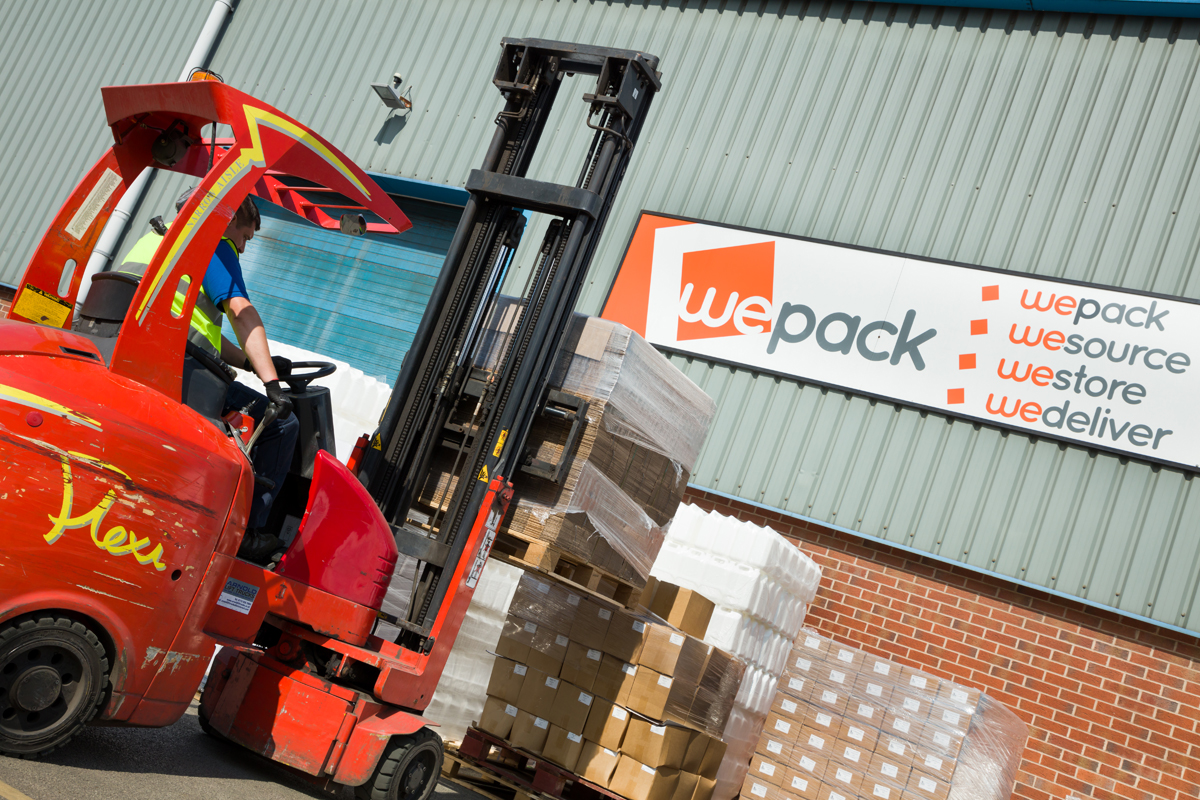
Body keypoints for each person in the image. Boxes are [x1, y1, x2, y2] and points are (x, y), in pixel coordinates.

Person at [122, 191, 298, 562]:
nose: (245, 248)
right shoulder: (211, 242)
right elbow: (241, 311)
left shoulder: (163, 236)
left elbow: (198, 329)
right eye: (246, 237)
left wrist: (256, 363)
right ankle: (248, 532)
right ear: (229, 218)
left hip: (145, 353)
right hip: (182, 371)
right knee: (283, 424)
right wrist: (272, 384)